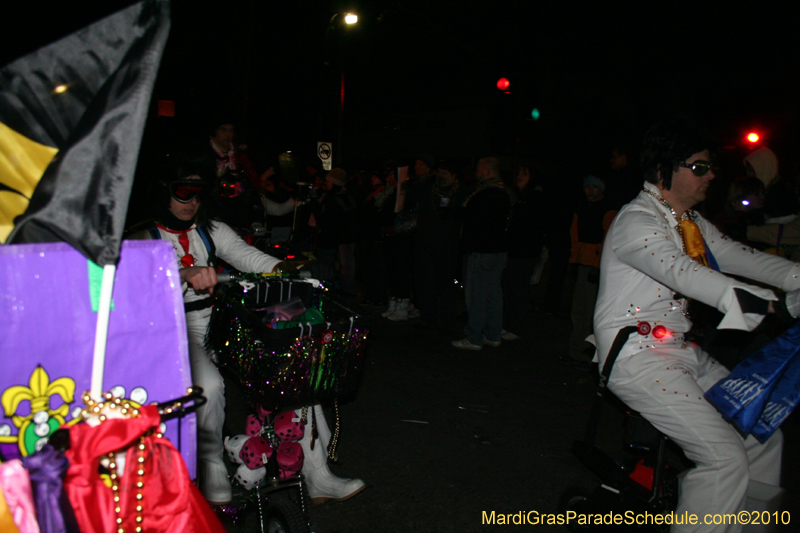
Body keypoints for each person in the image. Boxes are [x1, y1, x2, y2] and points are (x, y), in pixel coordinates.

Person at [593, 118, 800, 533]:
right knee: (724, 458)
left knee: (760, 435)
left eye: (711, 168)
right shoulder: (636, 221)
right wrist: (771, 306)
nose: (711, 176)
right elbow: (682, 272)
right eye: (700, 167)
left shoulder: (691, 223)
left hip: (680, 353)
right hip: (638, 359)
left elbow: (745, 258)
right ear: (663, 169)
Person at [135, 165, 364, 505]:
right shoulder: (142, 237)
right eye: (183, 192)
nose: (192, 202)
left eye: (199, 194)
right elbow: (134, 280)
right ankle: (212, 461)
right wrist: (182, 272)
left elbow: (246, 256)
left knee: (295, 365)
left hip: (223, 318)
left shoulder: (211, 228)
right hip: (175, 327)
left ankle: (318, 474)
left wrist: (289, 272)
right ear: (163, 190)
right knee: (209, 387)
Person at [452, 156, 510, 350]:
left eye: (478, 169)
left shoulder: (485, 193)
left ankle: (474, 337)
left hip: (481, 250)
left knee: (476, 295)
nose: (475, 173)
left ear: (486, 171)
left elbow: (473, 219)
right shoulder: (503, 191)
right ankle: (493, 334)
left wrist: (462, 212)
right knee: (493, 293)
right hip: (497, 251)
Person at [563, 175, 616, 369]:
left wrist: (598, 265)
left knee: (590, 314)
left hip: (596, 267)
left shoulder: (608, 210)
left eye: (595, 187)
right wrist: (573, 262)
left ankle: (588, 355)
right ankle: (577, 352)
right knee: (578, 312)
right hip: (583, 264)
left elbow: (608, 240)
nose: (590, 190)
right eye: (588, 187)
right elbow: (574, 236)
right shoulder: (582, 208)